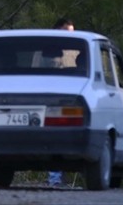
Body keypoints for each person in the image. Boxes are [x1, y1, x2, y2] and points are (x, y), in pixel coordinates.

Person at [48, 18, 75, 187]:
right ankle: (55, 180)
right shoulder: (47, 53)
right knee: (53, 141)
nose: (70, 36)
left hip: (72, 102)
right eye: (66, 31)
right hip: (51, 101)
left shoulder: (75, 53)